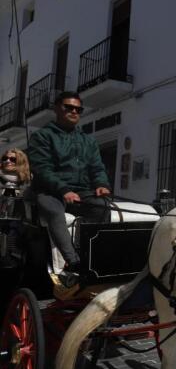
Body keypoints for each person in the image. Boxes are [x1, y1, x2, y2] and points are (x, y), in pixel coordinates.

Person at [28, 91, 111, 277]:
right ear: (57, 109)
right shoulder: (42, 136)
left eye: (78, 109)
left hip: (81, 192)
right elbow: (42, 169)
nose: (74, 111)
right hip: (50, 192)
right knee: (55, 213)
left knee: (102, 207)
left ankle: (91, 255)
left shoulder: (88, 140)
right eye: (69, 107)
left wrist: (101, 183)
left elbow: (97, 167)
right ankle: (73, 261)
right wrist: (64, 190)